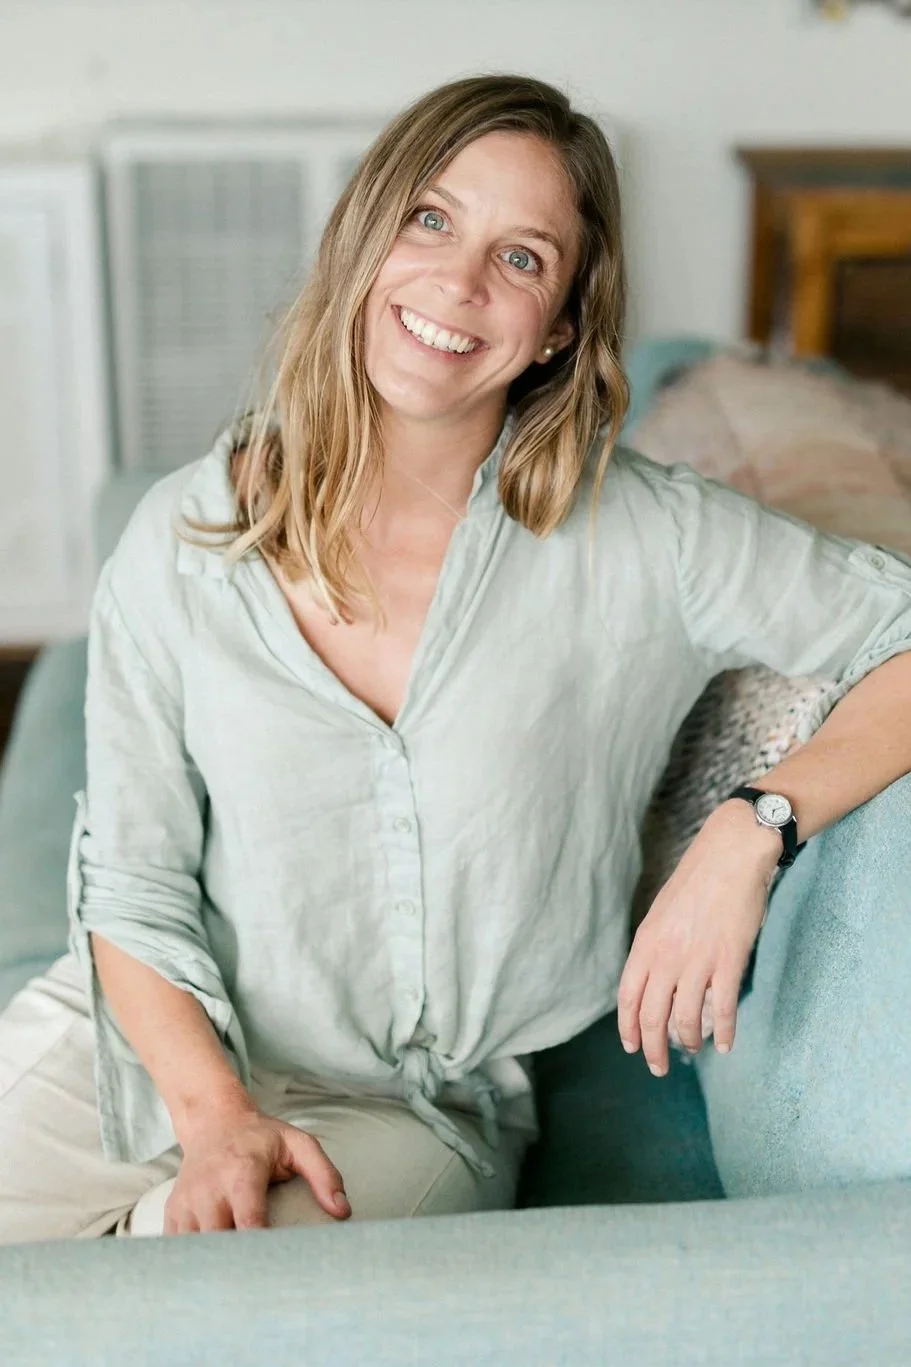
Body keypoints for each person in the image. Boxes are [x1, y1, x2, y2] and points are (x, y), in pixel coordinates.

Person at [2, 73, 911, 1245]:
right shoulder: (180, 541)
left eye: (523, 257)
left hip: (403, 1107)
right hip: (132, 1046)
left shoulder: (647, 537)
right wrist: (214, 1113)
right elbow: (129, 883)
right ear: (365, 235)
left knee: (174, 1312)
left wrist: (754, 822)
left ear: (564, 324)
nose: (460, 282)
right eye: (430, 219)